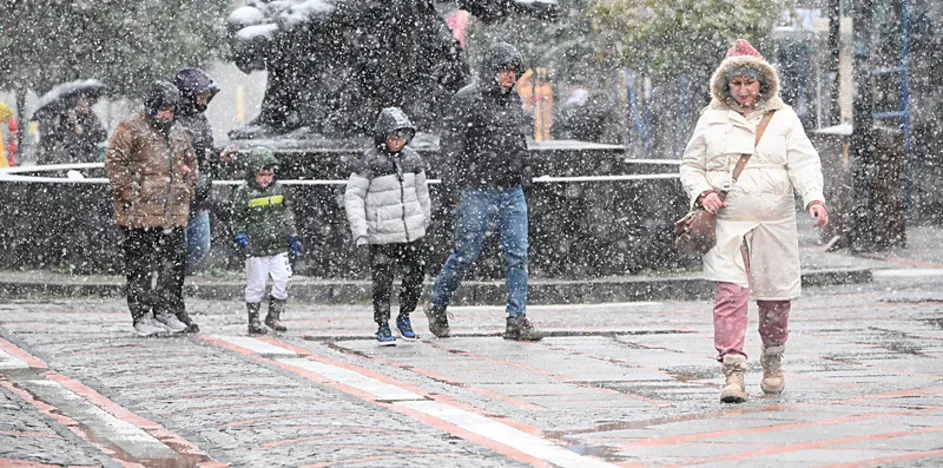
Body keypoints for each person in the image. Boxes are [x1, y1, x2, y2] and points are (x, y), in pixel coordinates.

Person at [679, 39, 828, 403]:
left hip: (774, 222)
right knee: (729, 295)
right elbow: (691, 165)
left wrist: (813, 197)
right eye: (736, 83)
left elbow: (804, 161)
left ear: (762, 83)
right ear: (726, 86)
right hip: (728, 222)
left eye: (750, 82)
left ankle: (773, 360)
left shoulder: (784, 118)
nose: (743, 91)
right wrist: (702, 193)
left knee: (776, 298)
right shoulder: (710, 118)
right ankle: (733, 372)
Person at [425, 42, 541, 342]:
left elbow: (518, 140)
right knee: (466, 252)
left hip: (511, 189)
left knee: (517, 255)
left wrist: (525, 171)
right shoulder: (468, 99)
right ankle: (437, 304)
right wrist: (451, 188)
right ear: (491, 71)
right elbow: (450, 147)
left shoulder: (513, 99)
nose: (510, 76)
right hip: (476, 189)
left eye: (514, 71)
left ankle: (516, 319)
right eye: (504, 70)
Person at [105, 81, 199, 337]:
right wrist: (131, 192)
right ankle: (142, 314)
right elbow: (115, 162)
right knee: (141, 266)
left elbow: (191, 162)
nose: (166, 116)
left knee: (173, 264)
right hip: (140, 214)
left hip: (173, 212)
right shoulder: (131, 128)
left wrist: (187, 188)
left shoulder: (178, 132)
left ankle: (165, 309)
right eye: (162, 110)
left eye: (170, 110)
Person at [344, 107, 431, 346]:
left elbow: (422, 192)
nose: (398, 142)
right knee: (382, 281)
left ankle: (405, 315)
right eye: (393, 136)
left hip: (410, 231)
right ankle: (382, 324)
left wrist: (423, 218)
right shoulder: (369, 161)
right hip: (381, 233)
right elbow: (353, 196)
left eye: (402, 137)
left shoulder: (413, 159)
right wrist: (360, 230)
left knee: (416, 275)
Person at [172, 67, 237, 275]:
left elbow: (204, 151)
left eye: (206, 98)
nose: (204, 102)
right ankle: (172, 287)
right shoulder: (173, 121)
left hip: (199, 196)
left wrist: (219, 155)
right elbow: (184, 151)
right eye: (200, 97)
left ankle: (175, 280)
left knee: (200, 246)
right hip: (179, 196)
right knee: (176, 249)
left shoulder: (201, 120)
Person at [230, 147, 301, 335]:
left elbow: (287, 214)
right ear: (253, 173)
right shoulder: (244, 192)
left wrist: (292, 235)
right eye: (262, 174)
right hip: (256, 247)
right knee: (257, 284)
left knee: (284, 279)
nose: (265, 179)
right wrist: (240, 234)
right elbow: (236, 216)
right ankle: (253, 320)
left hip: (278, 244)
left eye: (269, 175)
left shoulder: (279, 190)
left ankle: (273, 315)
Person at [38, 92, 107, 165]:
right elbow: (63, 137)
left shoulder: (92, 118)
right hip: (72, 158)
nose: (84, 105)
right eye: (81, 103)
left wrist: (86, 132)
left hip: (89, 156)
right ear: (76, 104)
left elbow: (102, 135)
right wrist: (72, 127)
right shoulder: (67, 118)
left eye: (85, 102)